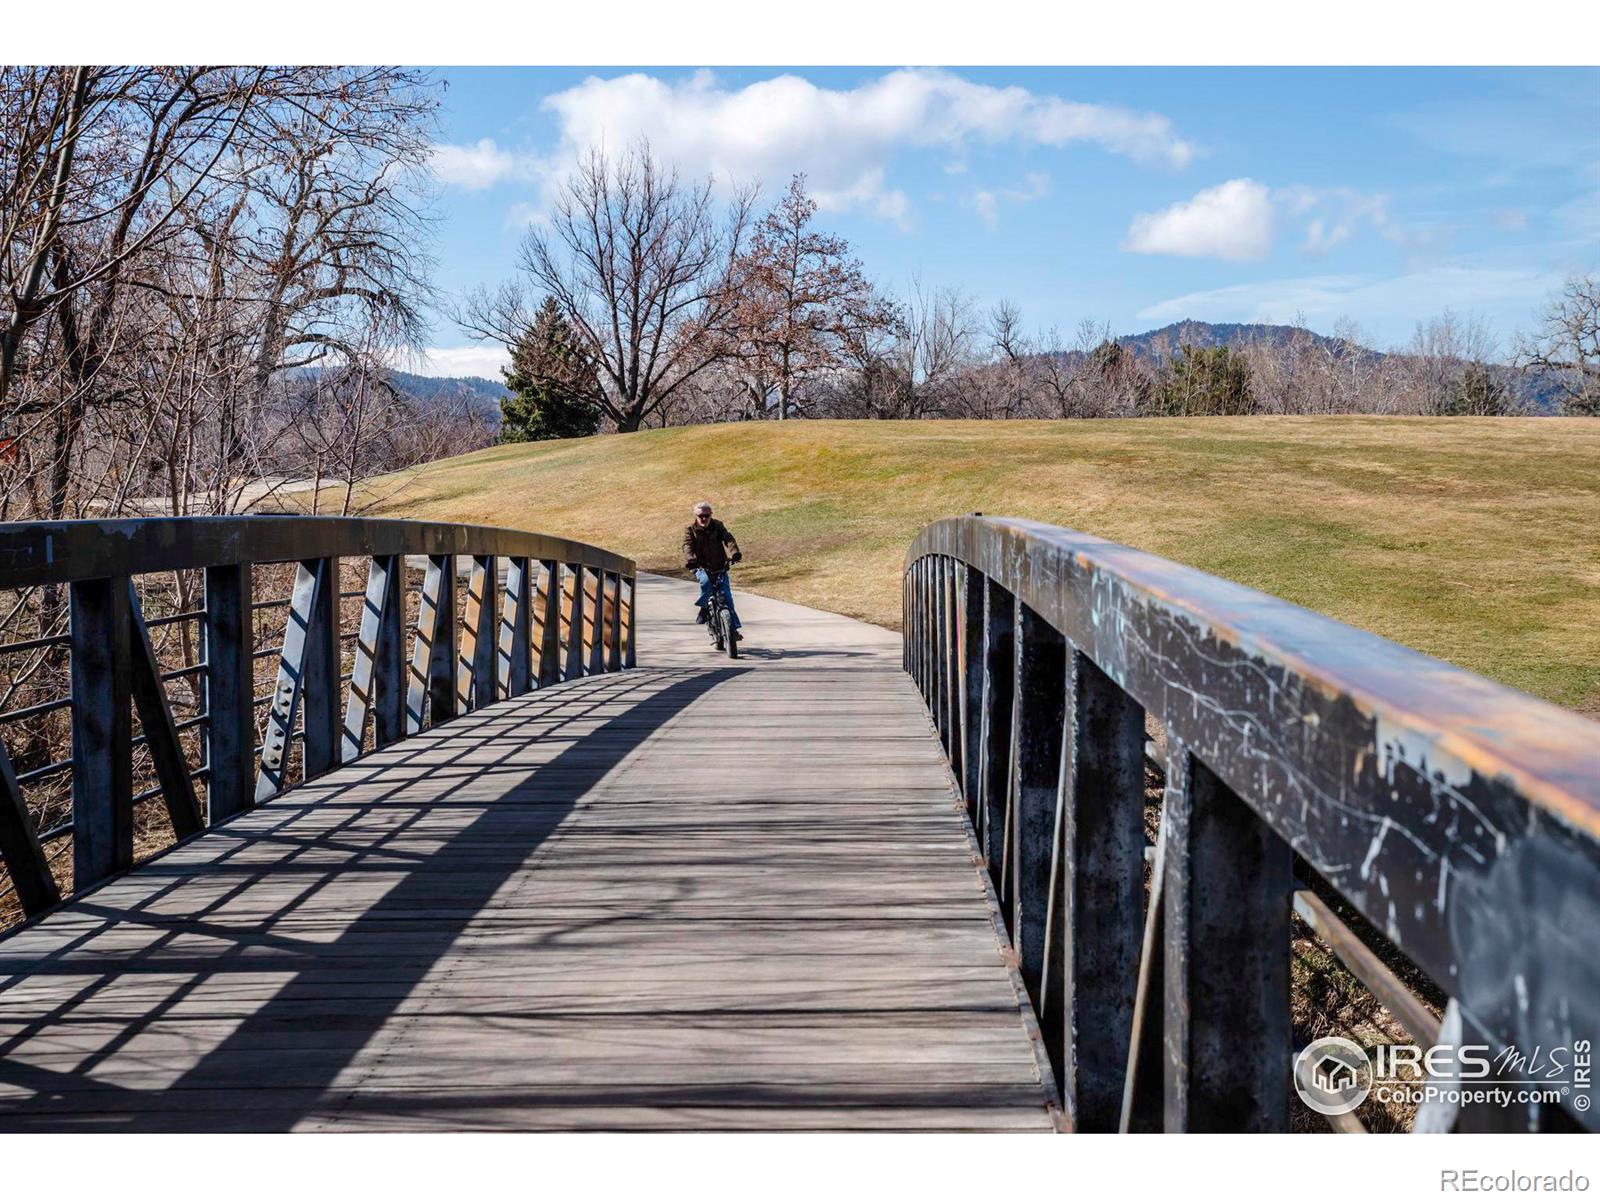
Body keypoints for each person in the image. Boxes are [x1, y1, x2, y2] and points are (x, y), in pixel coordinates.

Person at [682, 500, 742, 638]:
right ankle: (704, 608)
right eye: (700, 516)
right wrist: (691, 560)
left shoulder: (718, 525)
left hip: (720, 566)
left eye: (706, 515)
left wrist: (735, 553)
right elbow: (687, 546)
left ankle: (733, 629)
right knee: (706, 583)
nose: (703, 518)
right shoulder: (690, 530)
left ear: (711, 515)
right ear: (695, 516)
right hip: (701, 567)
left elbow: (728, 539)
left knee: (726, 597)